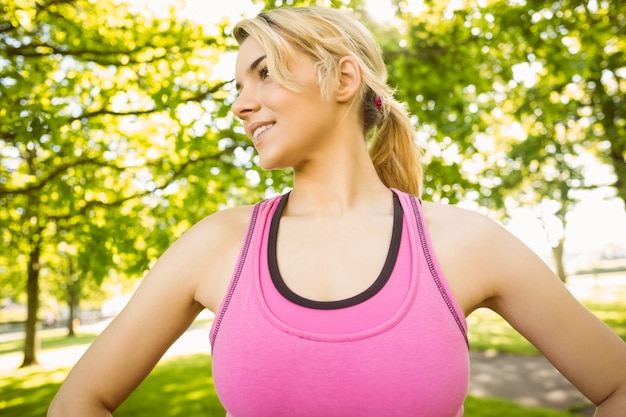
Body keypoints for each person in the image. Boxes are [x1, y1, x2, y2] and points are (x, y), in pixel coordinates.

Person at [48, 6, 626, 417]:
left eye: (264, 72)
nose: (240, 105)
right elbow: (78, 402)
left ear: (343, 78)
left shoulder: (463, 243)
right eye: (236, 85)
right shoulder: (215, 246)